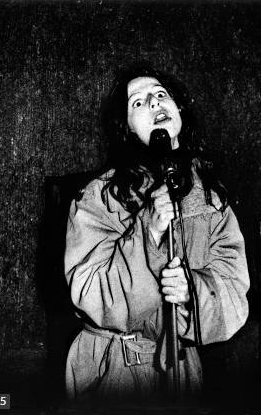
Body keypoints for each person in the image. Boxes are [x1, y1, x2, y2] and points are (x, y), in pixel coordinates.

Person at [63, 62, 250, 402]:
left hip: (180, 368)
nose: (154, 103)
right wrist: (146, 231)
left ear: (178, 110)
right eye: (138, 102)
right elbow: (90, 291)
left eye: (161, 95)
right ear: (128, 129)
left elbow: (234, 287)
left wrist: (193, 291)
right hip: (112, 369)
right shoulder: (99, 197)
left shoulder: (211, 199)